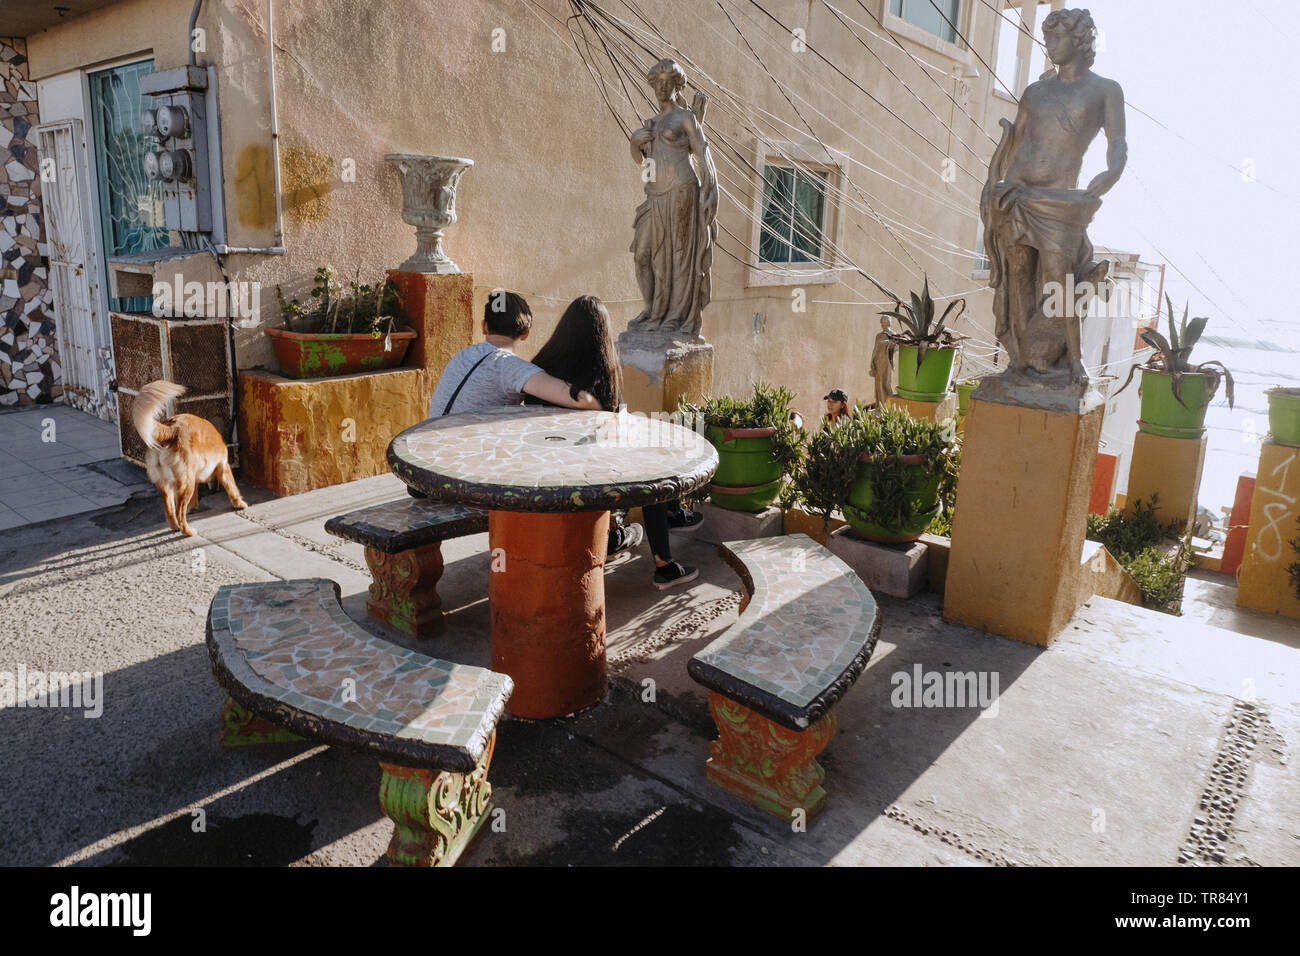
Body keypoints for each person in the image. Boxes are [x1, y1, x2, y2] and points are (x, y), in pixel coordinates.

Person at [529, 295, 702, 590]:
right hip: (589, 475)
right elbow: (613, 427)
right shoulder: (602, 374)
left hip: (543, 470)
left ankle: (665, 515)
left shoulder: (540, 366)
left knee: (647, 460)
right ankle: (664, 562)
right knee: (653, 470)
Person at [409, 291, 601, 498]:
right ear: (526, 332)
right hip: (457, 474)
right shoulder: (510, 367)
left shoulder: (463, 354)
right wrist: (604, 409)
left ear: (484, 326)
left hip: (426, 462)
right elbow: (580, 400)